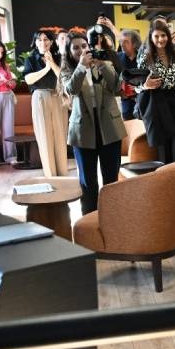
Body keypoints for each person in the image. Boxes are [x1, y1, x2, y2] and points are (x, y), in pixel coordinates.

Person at [60, 33, 126, 214]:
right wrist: (81, 66)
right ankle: (89, 220)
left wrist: (103, 65)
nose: (81, 50)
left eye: (84, 46)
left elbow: (117, 88)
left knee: (111, 179)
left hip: (109, 127)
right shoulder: (67, 70)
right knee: (87, 181)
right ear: (69, 51)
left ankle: (112, 217)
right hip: (82, 130)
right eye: (75, 47)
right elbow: (71, 89)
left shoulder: (104, 63)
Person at [137, 20, 175, 163]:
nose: (160, 39)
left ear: (168, 36)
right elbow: (136, 86)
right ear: (151, 38)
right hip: (157, 105)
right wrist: (145, 86)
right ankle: (166, 176)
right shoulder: (146, 57)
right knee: (163, 149)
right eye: (156, 36)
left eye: (163, 35)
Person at [23, 30, 69, 177]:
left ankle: (63, 173)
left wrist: (52, 63)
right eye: (40, 40)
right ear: (35, 43)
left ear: (51, 42)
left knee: (61, 135)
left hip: (57, 96)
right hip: (40, 97)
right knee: (44, 137)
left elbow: (64, 77)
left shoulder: (59, 57)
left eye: (46, 39)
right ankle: (51, 176)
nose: (43, 43)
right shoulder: (31, 59)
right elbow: (28, 79)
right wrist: (46, 68)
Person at [118, 30, 142, 120]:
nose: (122, 44)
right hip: (126, 100)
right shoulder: (117, 58)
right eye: (121, 41)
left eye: (126, 42)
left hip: (142, 98)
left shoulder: (142, 58)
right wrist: (119, 91)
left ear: (134, 44)